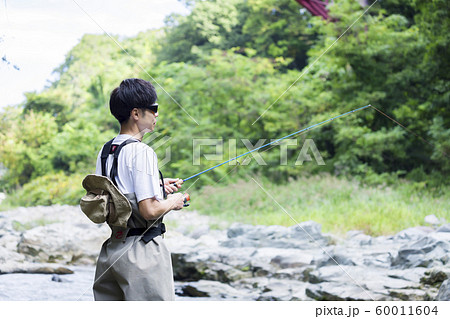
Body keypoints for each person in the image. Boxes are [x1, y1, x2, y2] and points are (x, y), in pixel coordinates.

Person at [92, 78, 186, 301]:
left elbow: (116, 192)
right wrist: (175, 201)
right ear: (136, 113)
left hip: (111, 252)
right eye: (153, 109)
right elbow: (149, 210)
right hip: (142, 254)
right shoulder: (142, 152)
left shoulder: (106, 151)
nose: (156, 114)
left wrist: (158, 185)